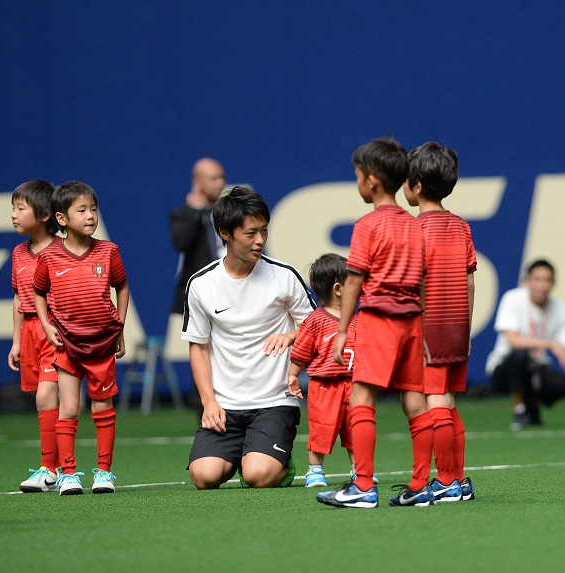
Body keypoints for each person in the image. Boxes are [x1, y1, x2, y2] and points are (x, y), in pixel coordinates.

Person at [316, 136, 433, 509]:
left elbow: (353, 282)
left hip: (380, 321)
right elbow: (425, 282)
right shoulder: (417, 225)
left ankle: (363, 486)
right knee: (415, 401)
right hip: (413, 322)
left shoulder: (367, 225)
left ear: (371, 181)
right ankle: (419, 486)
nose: (357, 181)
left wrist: (340, 331)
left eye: (357, 175)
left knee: (362, 399)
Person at [183, 186, 315, 489]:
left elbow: (319, 327)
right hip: (225, 404)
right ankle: (247, 452)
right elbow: (198, 347)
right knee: (204, 476)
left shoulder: (284, 275)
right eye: (251, 233)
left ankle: (277, 462)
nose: (260, 240)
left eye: (264, 231)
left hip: (274, 401)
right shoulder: (202, 284)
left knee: (258, 475)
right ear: (225, 233)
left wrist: (292, 334)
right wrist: (209, 402)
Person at [32, 181, 130, 495]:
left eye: (94, 209)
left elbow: (123, 287)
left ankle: (103, 472)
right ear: (61, 219)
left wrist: (120, 328)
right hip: (67, 346)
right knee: (69, 408)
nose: (90, 216)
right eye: (82, 210)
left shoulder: (109, 251)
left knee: (102, 406)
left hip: (101, 344)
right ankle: (68, 474)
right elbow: (38, 292)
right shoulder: (48, 257)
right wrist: (48, 327)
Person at [403, 141, 477, 502]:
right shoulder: (461, 227)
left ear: (415, 186)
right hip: (457, 326)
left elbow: (415, 284)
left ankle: (446, 480)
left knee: (435, 399)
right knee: (446, 398)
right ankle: (459, 479)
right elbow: (469, 281)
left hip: (427, 328)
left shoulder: (413, 230)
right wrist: (466, 328)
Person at [485, 260, 565, 430]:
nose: (542, 285)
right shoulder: (512, 298)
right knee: (519, 355)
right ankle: (519, 409)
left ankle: (532, 406)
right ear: (527, 281)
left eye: (547, 280)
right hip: (503, 369)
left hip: (535, 368)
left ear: (553, 283)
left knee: (561, 385)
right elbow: (513, 341)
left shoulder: (560, 309)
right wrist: (549, 344)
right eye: (537, 279)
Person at [287, 253, 362, 488]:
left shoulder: (360, 320)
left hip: (355, 386)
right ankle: (315, 470)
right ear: (339, 289)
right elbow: (301, 352)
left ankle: (360, 470)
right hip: (324, 387)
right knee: (321, 429)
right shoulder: (315, 321)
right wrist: (292, 375)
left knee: (356, 429)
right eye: (355, 282)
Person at [9, 180, 62, 492]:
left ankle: (50, 468)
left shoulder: (61, 251)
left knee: (46, 397)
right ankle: (56, 466)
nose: (13, 215)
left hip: (55, 331)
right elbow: (18, 298)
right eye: (12, 208)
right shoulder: (18, 253)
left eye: (20, 208)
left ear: (44, 214)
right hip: (30, 332)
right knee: (43, 400)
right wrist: (17, 341)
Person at [169, 158, 227, 316]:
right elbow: (181, 242)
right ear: (197, 182)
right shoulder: (182, 214)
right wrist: (196, 210)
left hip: (229, 293)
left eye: (222, 177)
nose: (220, 183)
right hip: (197, 299)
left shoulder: (228, 214)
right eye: (214, 178)